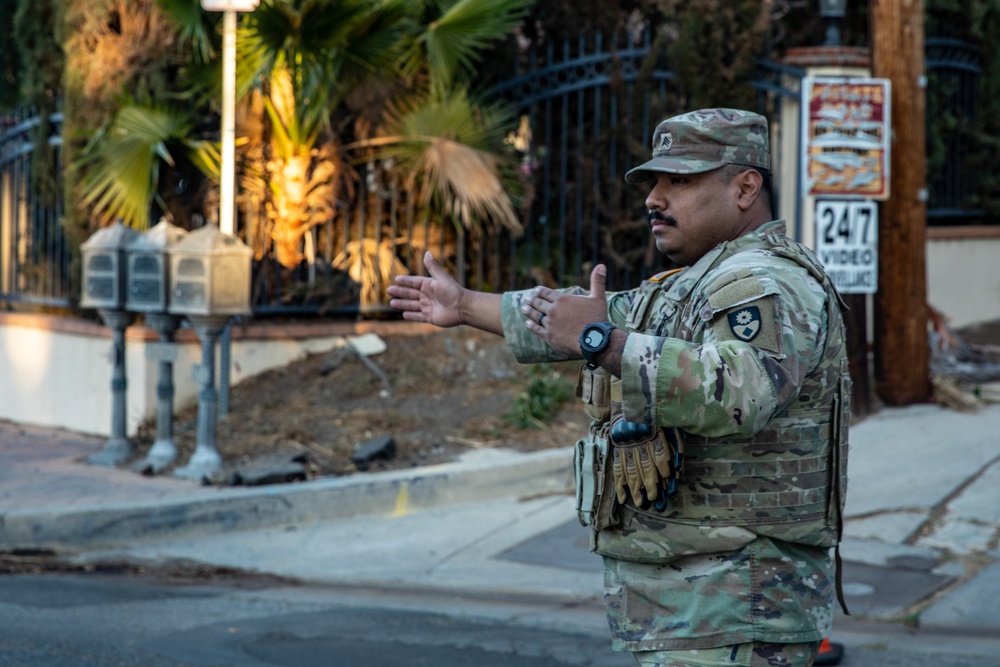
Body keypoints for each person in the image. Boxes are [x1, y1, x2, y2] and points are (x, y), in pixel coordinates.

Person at [388, 108, 850, 667]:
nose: (655, 198)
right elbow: (576, 316)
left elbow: (737, 392)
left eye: (678, 181)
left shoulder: (765, 283)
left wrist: (602, 341)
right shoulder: (696, 282)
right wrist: (463, 305)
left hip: (737, 605)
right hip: (696, 604)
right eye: (654, 182)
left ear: (745, 187)